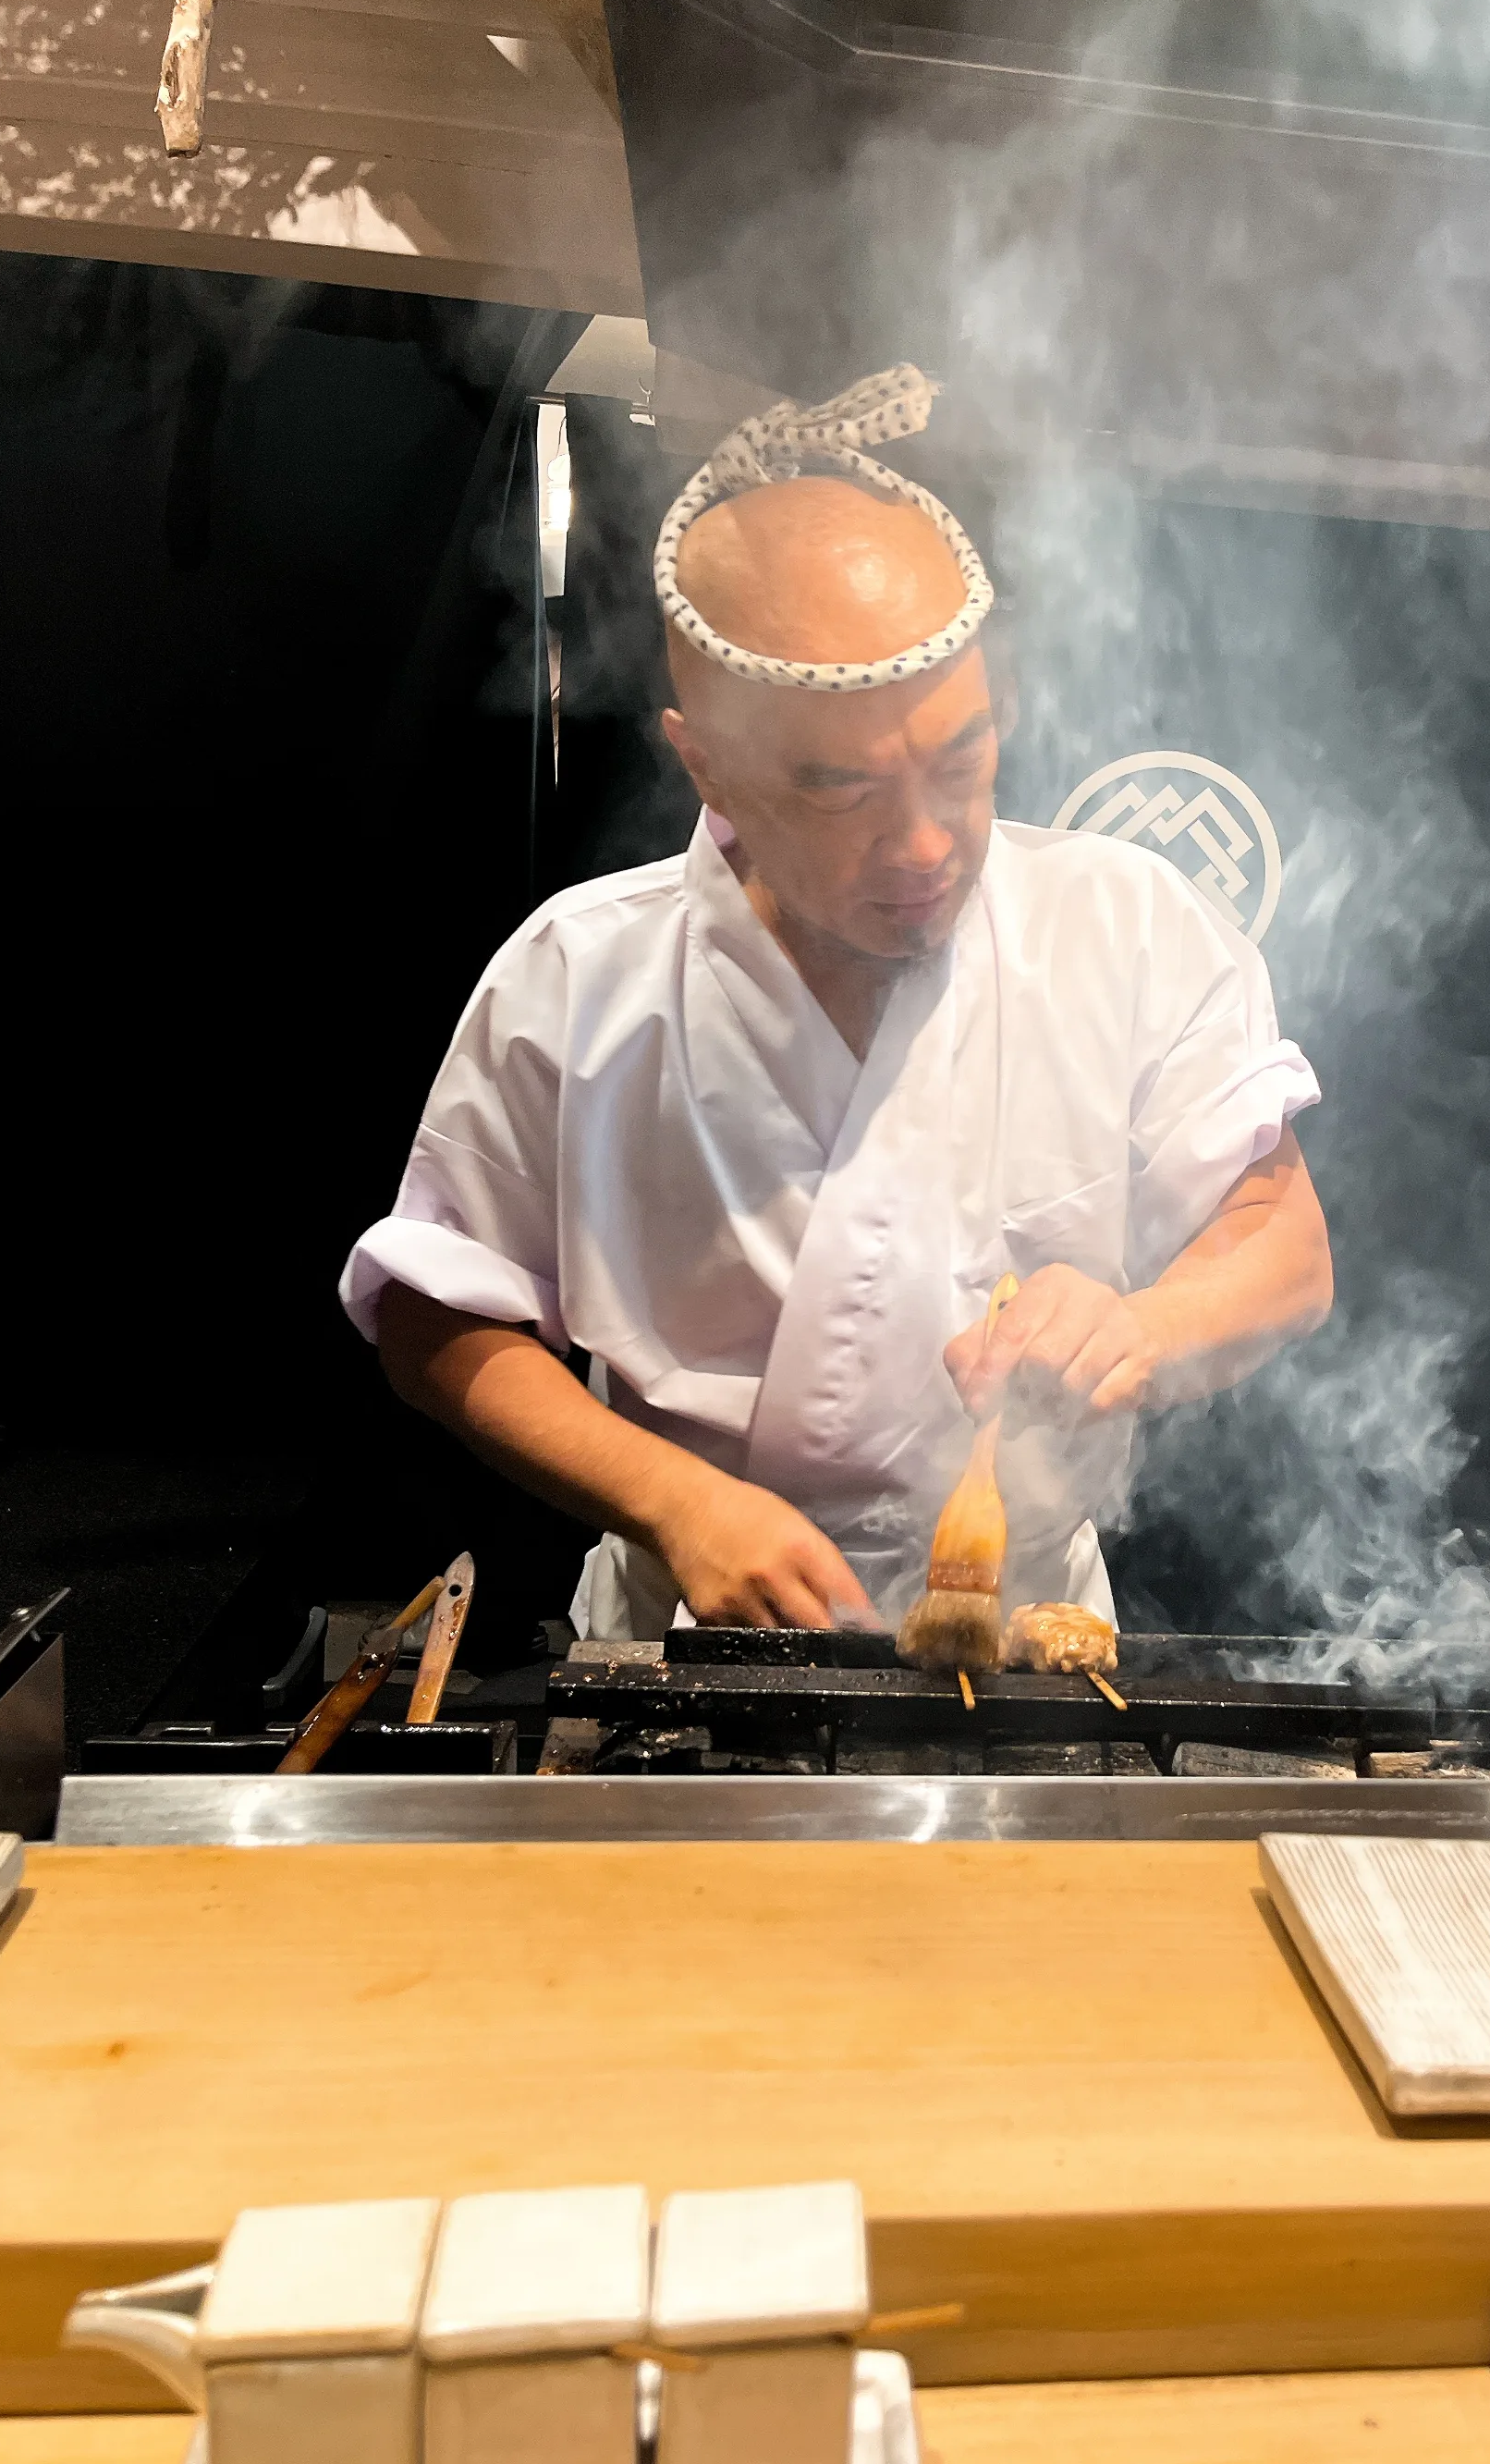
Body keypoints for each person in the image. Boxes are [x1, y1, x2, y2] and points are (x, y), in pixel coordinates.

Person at [341, 367, 1332, 1637]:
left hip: (1030, 1630)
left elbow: (1287, 1251)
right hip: (695, 1630)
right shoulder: (582, 976)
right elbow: (434, 1321)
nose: (923, 848)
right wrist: (679, 1503)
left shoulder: (1127, 928)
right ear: (707, 767)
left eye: (960, 761)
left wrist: (1143, 1325)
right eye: (836, 789)